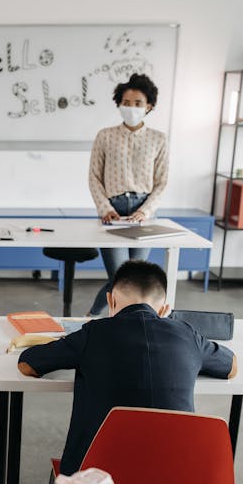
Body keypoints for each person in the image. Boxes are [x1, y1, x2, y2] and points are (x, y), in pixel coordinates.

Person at [18, 260, 237, 476]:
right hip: (175, 479)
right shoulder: (188, 335)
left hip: (97, 479)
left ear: (110, 301)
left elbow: (28, 364)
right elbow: (231, 367)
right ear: (164, 310)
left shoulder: (93, 333)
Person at [88, 73, 169, 316]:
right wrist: (106, 210)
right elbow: (94, 177)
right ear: (118, 104)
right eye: (126, 102)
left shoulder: (158, 139)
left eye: (137, 103)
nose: (131, 108)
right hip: (113, 211)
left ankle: (132, 322)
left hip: (143, 213)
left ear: (149, 106)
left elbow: (162, 181)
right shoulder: (105, 136)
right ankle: (92, 317)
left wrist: (145, 211)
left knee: (139, 279)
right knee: (118, 277)